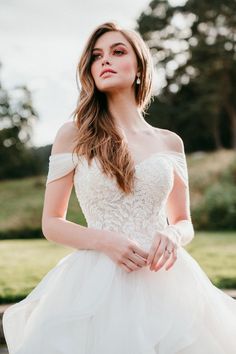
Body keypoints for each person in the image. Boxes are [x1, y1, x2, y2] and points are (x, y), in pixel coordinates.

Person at [3, 21, 236, 354]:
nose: (105, 61)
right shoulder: (73, 135)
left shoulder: (170, 142)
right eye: (97, 56)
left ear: (139, 67)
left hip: (167, 284)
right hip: (96, 283)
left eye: (118, 51)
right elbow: (51, 223)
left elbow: (184, 221)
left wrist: (173, 235)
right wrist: (105, 241)